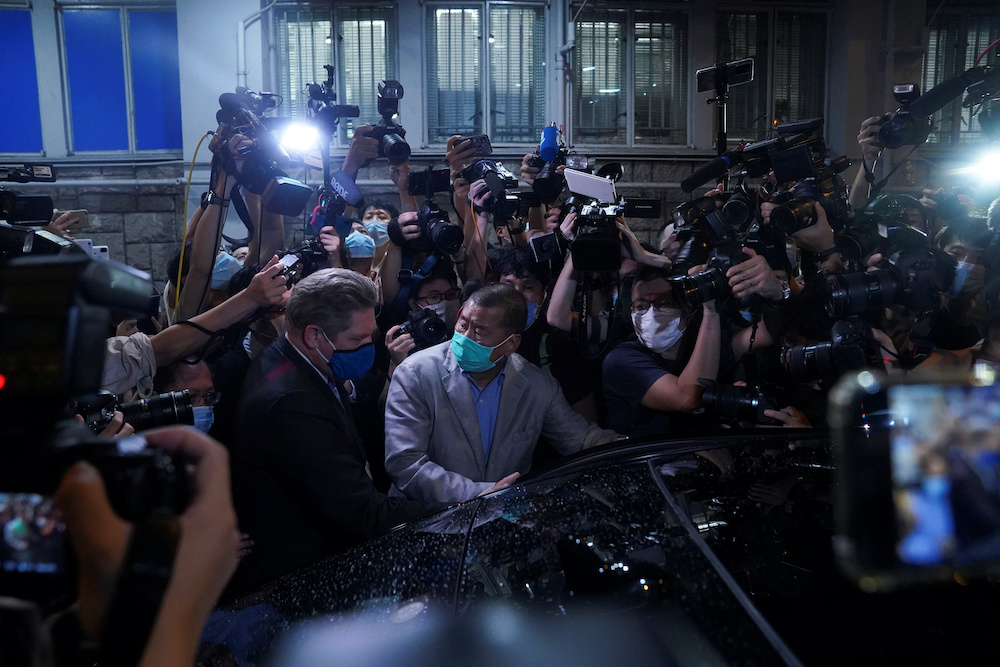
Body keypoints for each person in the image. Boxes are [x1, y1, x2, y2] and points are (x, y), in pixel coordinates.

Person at [228, 268, 436, 595]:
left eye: (370, 335)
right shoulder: (291, 403)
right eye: (357, 339)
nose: (369, 346)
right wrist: (455, 507)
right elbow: (364, 514)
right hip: (302, 578)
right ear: (314, 335)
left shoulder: (293, 357)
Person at [384, 283, 619, 504]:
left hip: (501, 521)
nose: (464, 338)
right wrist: (480, 494)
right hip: (427, 520)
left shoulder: (537, 385)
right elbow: (405, 463)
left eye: (479, 332)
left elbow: (581, 439)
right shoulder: (415, 373)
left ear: (510, 344)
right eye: (463, 324)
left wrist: (626, 448)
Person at [602, 268, 722, 438]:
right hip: (647, 457)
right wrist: (711, 311)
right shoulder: (620, 360)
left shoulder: (704, 344)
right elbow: (688, 399)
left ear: (689, 310)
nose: (652, 313)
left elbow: (766, 334)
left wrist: (773, 295)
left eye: (663, 303)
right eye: (641, 306)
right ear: (631, 313)